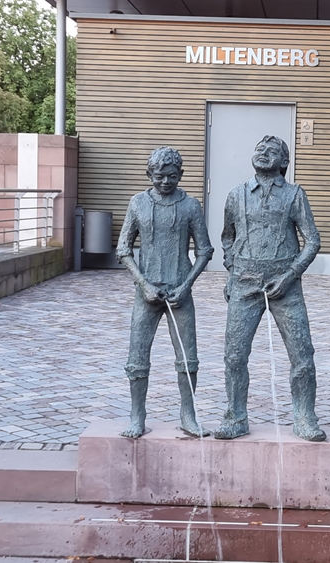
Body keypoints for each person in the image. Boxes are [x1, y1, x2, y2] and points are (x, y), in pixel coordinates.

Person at [214, 135, 326, 442]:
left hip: (285, 286)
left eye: (272, 151)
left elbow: (313, 241)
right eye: (260, 149)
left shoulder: (294, 195)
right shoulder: (237, 195)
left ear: (284, 162)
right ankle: (236, 416)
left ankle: (304, 417)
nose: (264, 154)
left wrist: (289, 276)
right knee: (234, 356)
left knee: (302, 353)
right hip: (244, 284)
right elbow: (227, 237)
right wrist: (233, 270)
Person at [116, 146, 213, 438]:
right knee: (137, 357)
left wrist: (186, 285)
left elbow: (205, 250)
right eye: (159, 176)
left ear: (181, 175)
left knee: (188, 358)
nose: (166, 182)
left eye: (172, 176)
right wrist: (143, 284)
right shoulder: (137, 204)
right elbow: (123, 249)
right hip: (146, 293)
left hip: (180, 292)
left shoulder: (191, 206)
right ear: (149, 175)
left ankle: (188, 414)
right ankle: (137, 415)